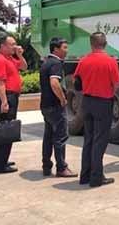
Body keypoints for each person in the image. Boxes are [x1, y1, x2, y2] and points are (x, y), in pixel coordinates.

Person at [74, 32, 119, 187]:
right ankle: (96, 178)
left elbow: (77, 83)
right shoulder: (110, 61)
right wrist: (109, 95)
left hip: (87, 102)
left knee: (89, 139)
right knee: (100, 141)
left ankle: (85, 176)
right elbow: (116, 84)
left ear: (91, 44)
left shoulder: (83, 61)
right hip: (103, 103)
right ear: (105, 43)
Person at [39, 37, 77, 178]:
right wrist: (62, 98)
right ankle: (61, 168)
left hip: (45, 105)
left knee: (48, 136)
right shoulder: (56, 63)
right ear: (56, 49)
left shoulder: (46, 62)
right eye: (64, 47)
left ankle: (46, 166)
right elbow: (54, 83)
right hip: (55, 106)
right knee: (60, 137)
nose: (66, 51)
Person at [0, 35, 27, 174]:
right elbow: (0, 82)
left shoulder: (10, 58)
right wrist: (4, 101)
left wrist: (19, 55)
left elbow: (24, 67)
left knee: (7, 129)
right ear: (3, 45)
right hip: (8, 97)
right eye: (11, 44)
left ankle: (1, 160)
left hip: (12, 96)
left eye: (15, 44)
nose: (14, 46)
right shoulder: (0, 60)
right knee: (5, 130)